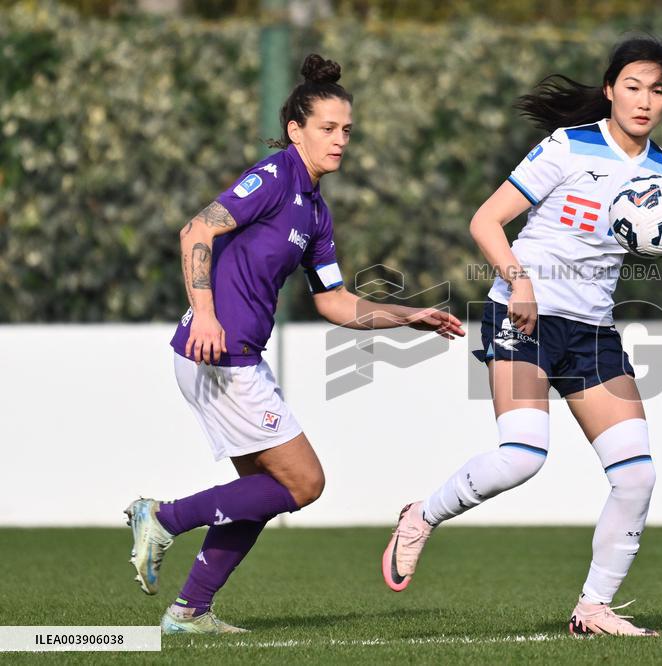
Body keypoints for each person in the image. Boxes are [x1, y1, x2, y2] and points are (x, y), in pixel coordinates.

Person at [382, 36, 662, 637]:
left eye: (658, 90)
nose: (645, 101)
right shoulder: (568, 146)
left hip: (592, 332)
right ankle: (421, 516)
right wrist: (518, 283)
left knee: (637, 476)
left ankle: (593, 607)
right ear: (610, 90)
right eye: (633, 87)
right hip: (525, 317)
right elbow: (485, 220)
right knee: (521, 456)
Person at [125, 54, 464, 635]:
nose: (340, 140)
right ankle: (161, 518)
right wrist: (205, 314)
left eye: (347, 130)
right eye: (328, 129)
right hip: (218, 355)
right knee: (304, 483)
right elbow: (197, 230)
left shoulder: (316, 211)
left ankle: (189, 611)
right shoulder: (276, 176)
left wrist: (410, 316)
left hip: (232, 358)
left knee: (261, 492)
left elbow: (334, 303)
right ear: (296, 130)